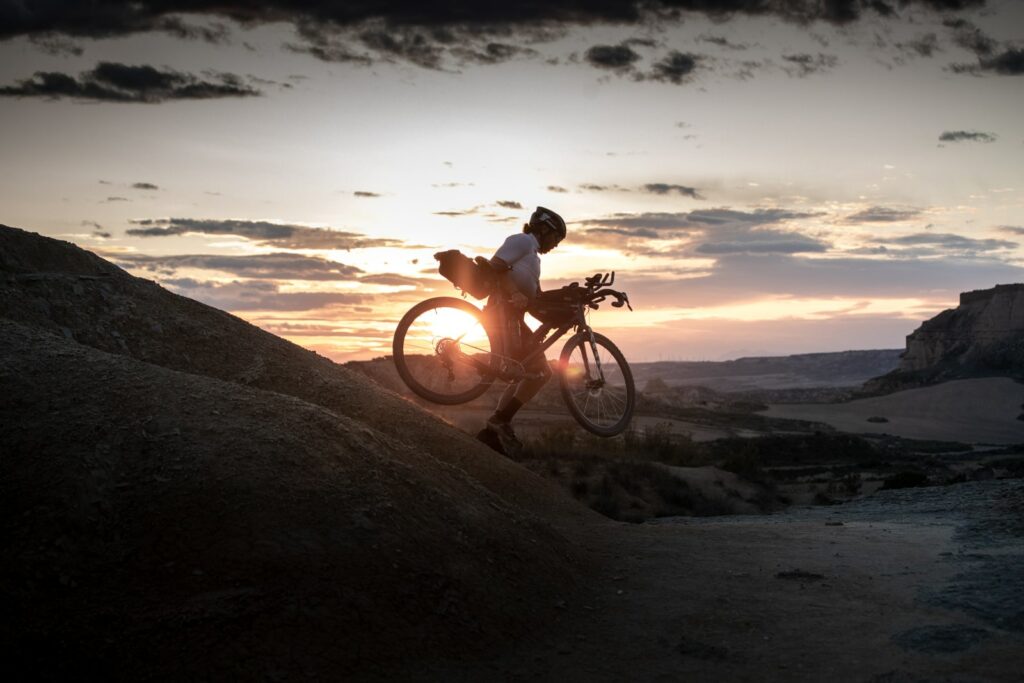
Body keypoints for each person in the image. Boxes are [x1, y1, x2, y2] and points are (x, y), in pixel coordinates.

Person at [478, 206, 567, 456]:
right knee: (524, 370)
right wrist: (514, 292)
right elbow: (494, 266)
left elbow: (535, 301)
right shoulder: (522, 241)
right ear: (544, 229)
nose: (556, 245)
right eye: (556, 238)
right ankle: (498, 421)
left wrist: (558, 312)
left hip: (515, 317)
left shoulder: (534, 259)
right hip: (500, 311)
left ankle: (498, 423)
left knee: (539, 372)